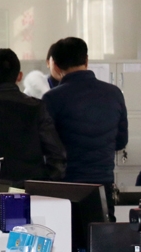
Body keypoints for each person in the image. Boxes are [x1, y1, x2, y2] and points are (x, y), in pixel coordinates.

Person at [42, 37, 128, 216]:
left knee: (68, 232)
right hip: (103, 184)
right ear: (86, 61)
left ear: (55, 65)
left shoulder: (52, 98)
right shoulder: (114, 93)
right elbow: (121, 142)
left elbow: (47, 146)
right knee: (101, 231)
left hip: (66, 187)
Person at [0, 48, 66, 184]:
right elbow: (57, 155)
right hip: (30, 188)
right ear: (19, 76)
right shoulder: (36, 108)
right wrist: (42, 182)